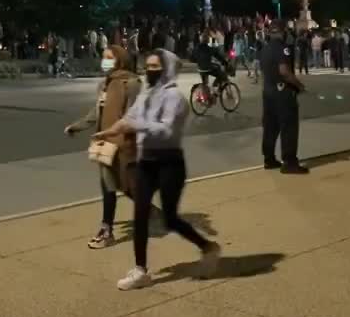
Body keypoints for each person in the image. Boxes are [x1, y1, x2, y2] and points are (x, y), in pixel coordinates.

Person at [93, 50, 221, 290]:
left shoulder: (175, 98)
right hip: (146, 162)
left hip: (169, 163)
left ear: (167, 69)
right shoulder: (147, 95)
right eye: (148, 66)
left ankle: (208, 247)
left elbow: (165, 130)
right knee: (140, 214)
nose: (149, 71)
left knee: (170, 219)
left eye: (155, 67)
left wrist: (135, 124)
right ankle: (140, 270)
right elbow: (128, 117)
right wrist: (109, 132)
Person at [64, 45, 142, 249]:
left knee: (123, 185)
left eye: (109, 57)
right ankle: (108, 228)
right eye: (103, 57)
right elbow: (96, 112)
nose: (104, 61)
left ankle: (109, 229)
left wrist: (122, 137)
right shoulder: (104, 84)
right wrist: (77, 126)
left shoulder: (131, 83)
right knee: (110, 184)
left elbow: (133, 116)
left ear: (120, 60)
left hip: (123, 143)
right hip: (104, 143)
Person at [260, 21, 308, 174]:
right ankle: (289, 162)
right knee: (288, 127)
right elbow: (284, 71)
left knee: (270, 127)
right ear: (283, 31)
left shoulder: (265, 49)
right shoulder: (283, 48)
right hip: (283, 93)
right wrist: (299, 85)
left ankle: (269, 158)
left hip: (268, 92)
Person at [193, 31, 230, 99]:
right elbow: (218, 56)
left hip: (200, 68)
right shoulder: (209, 49)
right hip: (208, 68)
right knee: (221, 74)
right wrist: (225, 62)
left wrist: (199, 60)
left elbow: (192, 58)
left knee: (205, 83)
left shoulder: (196, 48)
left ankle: (205, 97)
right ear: (207, 40)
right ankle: (214, 88)